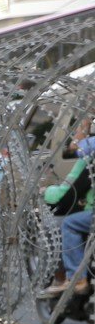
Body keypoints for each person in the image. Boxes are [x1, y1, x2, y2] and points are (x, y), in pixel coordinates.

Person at [44, 118, 95, 297]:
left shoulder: (89, 154)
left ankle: (75, 278)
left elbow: (76, 148)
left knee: (69, 224)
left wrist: (84, 127)